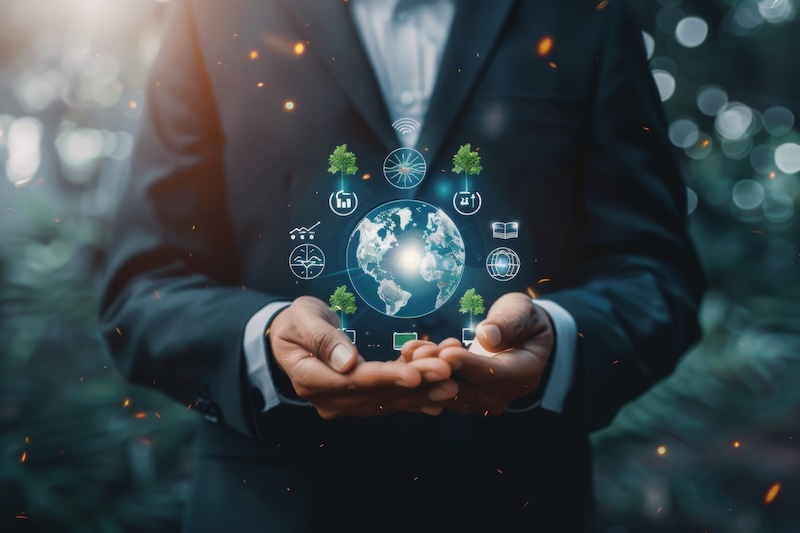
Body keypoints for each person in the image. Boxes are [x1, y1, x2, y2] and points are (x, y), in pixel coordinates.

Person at [99, 0, 704, 530]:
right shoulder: (213, 13)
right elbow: (143, 287)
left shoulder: (582, 12)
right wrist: (263, 346)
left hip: (518, 504)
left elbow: (654, 271)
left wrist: (557, 343)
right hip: (271, 508)